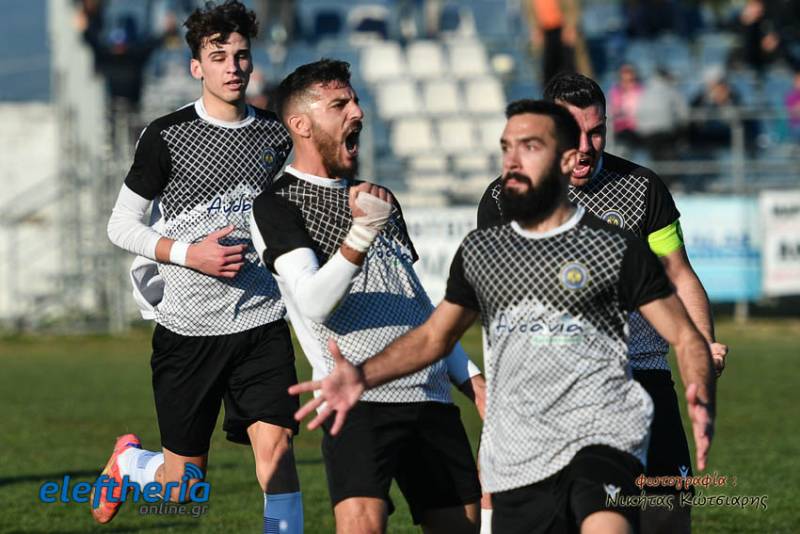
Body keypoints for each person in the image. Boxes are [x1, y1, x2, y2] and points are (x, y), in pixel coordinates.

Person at [290, 99, 717, 534]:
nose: (513, 160)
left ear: (565, 159)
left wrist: (700, 389)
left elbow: (685, 337)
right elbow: (434, 337)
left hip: (599, 433)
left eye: (530, 147)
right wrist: (361, 376)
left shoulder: (614, 247)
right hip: (522, 451)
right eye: (507, 147)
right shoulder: (483, 252)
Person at [477, 73, 728, 534]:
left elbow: (679, 274)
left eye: (597, 131)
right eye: (573, 133)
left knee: (668, 512)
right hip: (552, 384)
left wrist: (703, 342)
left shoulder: (641, 187)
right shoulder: (505, 197)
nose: (586, 146)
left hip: (642, 374)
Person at [249, 59, 484, 534]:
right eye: (339, 104)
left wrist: (470, 378)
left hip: (431, 395)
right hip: (354, 398)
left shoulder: (379, 198)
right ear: (301, 124)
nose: (356, 111)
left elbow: (416, 305)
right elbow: (314, 303)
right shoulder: (276, 204)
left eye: (355, 101)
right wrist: (361, 233)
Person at [97, 2, 303, 531]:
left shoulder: (277, 135)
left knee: (278, 454)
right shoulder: (166, 136)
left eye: (241, 55)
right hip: (189, 332)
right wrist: (192, 254)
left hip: (260, 322)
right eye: (218, 56)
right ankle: (131, 462)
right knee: (183, 489)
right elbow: (120, 226)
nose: (233, 66)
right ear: (197, 67)